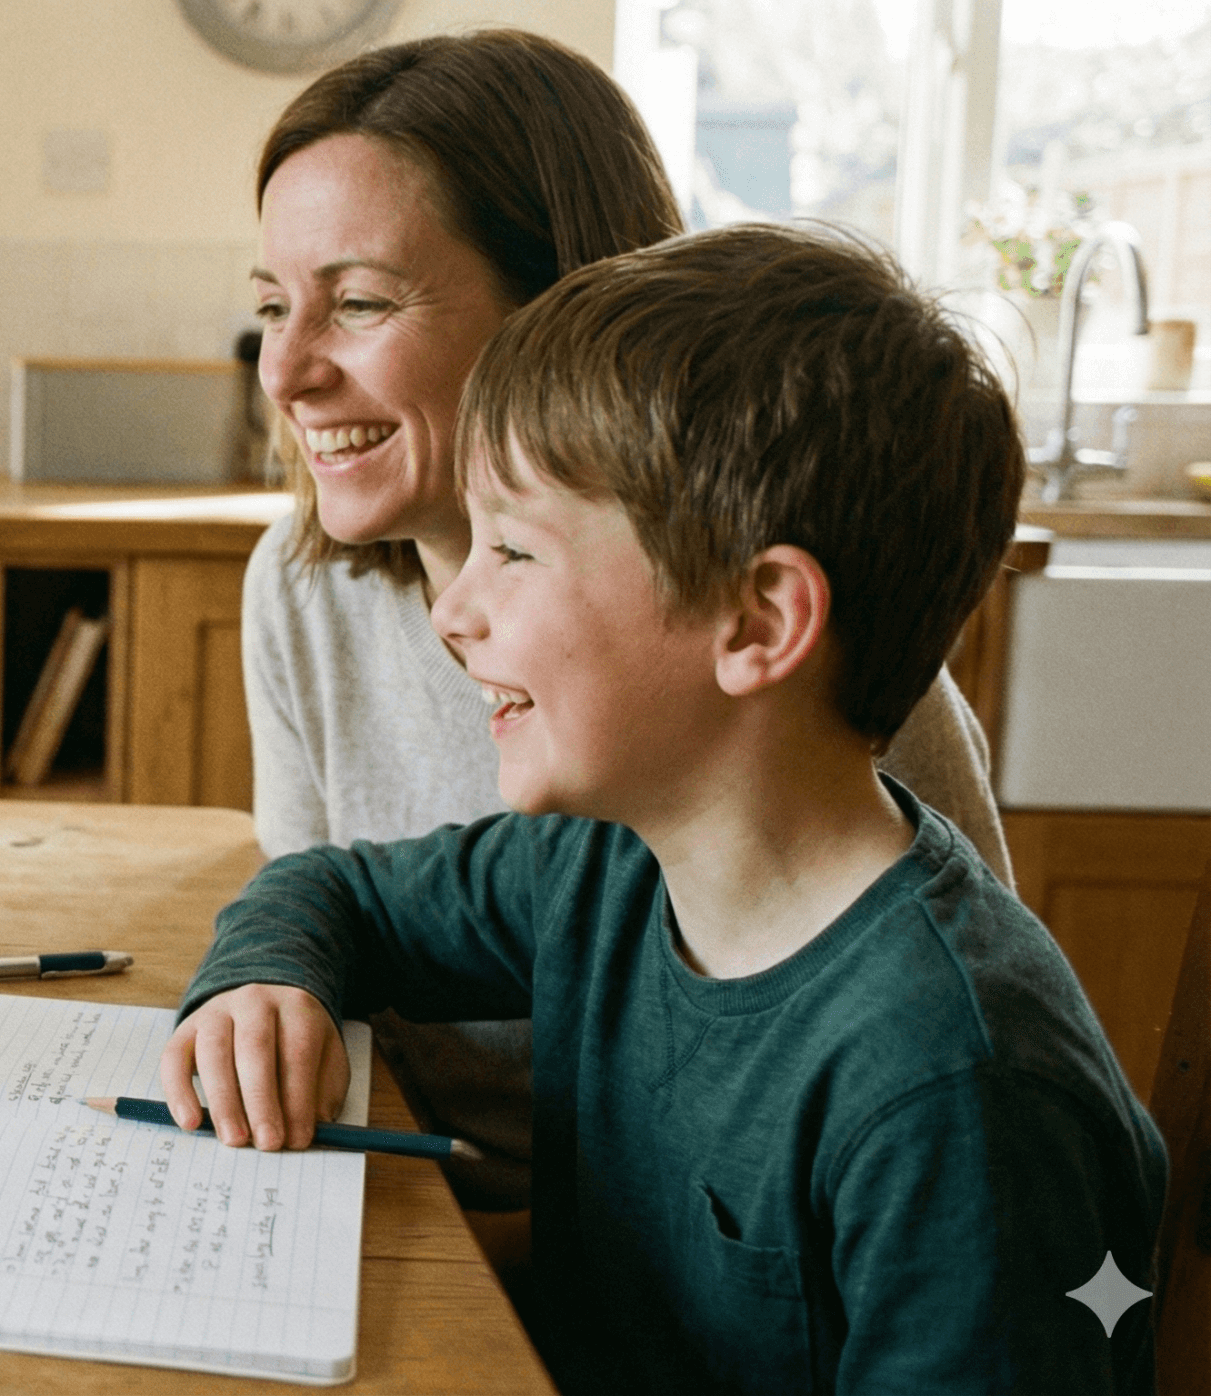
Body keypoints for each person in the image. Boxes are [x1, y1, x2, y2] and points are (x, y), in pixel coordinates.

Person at [165, 224, 1164, 1393]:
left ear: (757, 623)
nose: (452, 612)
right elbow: (333, 887)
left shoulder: (954, 1096)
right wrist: (262, 979)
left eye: (515, 553)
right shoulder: (604, 864)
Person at [232, 29, 1011, 1217]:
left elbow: (943, 1072)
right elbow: (327, 905)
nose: (284, 372)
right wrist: (261, 977)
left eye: (360, 303)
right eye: (272, 305)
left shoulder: (793, 703)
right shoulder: (298, 592)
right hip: (458, 1233)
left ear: (567, 309)